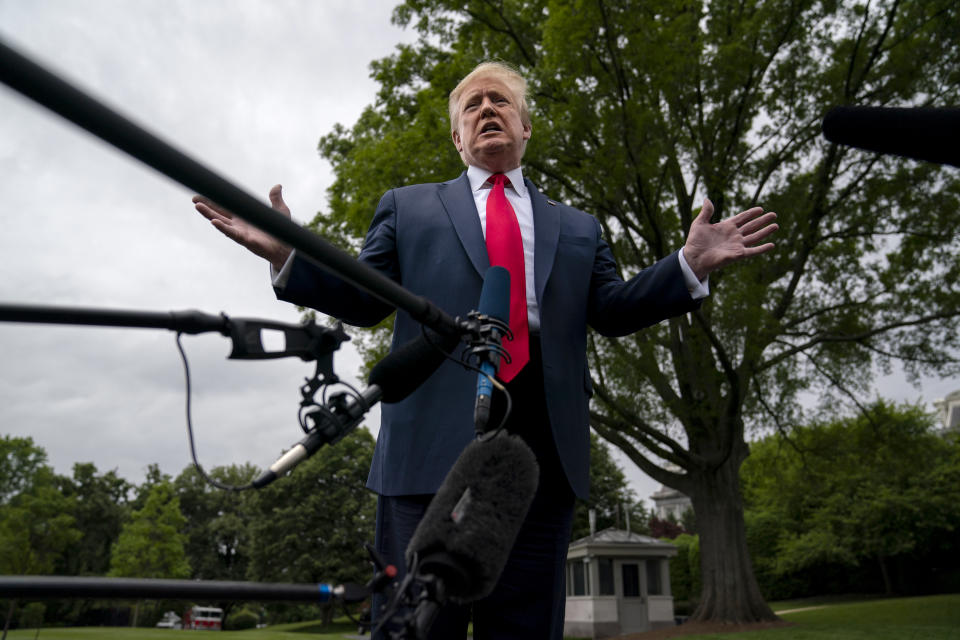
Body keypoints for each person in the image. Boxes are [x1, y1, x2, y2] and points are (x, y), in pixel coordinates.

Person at [194, 61, 778, 639]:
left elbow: (613, 311)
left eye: (500, 101)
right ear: (456, 137)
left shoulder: (579, 227)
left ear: (525, 127)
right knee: (415, 626)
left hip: (541, 458)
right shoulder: (407, 206)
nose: (487, 110)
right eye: (472, 106)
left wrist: (686, 266)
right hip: (426, 453)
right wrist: (286, 256)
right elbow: (367, 299)